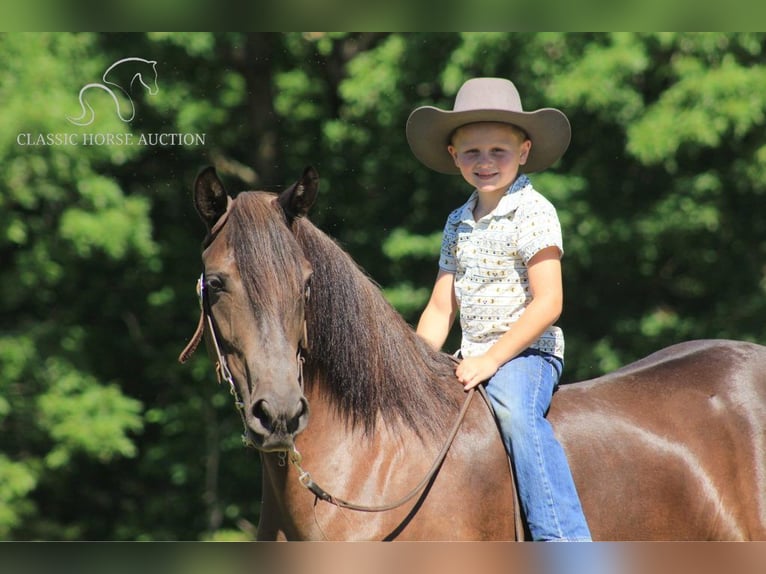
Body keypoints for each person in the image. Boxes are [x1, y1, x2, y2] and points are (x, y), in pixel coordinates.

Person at [406, 77, 591, 541]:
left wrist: (491, 358)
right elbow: (438, 307)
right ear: (453, 156)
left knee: (516, 416)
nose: (484, 162)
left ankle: (565, 543)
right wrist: (412, 363)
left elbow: (549, 302)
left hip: (526, 356)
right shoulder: (457, 221)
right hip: (469, 357)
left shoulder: (534, 211)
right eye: (471, 152)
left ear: (524, 151)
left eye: (498, 151)